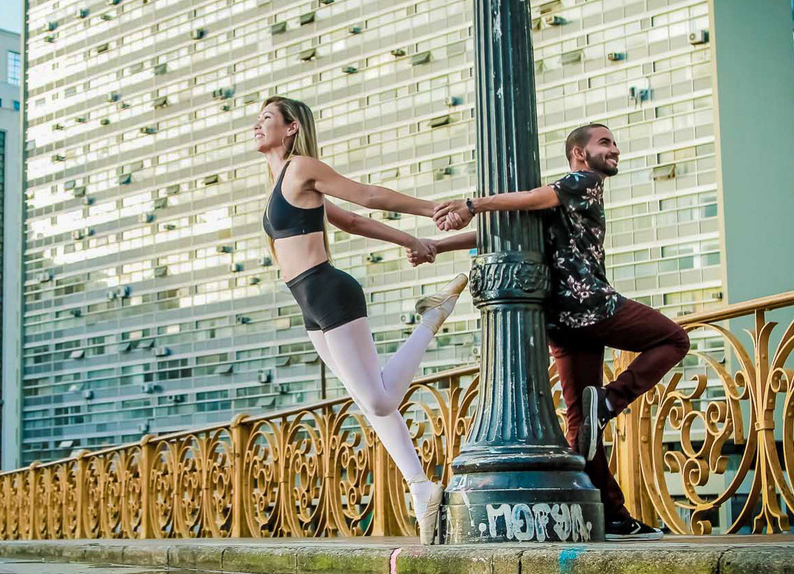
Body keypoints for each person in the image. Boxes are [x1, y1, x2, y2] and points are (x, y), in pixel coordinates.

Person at [427, 123, 689, 541]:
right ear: (580, 154)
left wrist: (440, 245)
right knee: (674, 339)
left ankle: (614, 517)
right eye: (605, 142)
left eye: (615, 142)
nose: (615, 149)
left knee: (581, 426)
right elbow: (529, 199)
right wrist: (471, 203)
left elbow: (509, 230)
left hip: (558, 320)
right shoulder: (582, 181)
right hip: (590, 304)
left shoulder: (560, 201)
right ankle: (611, 399)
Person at [255, 96, 467, 545]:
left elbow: (366, 196)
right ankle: (422, 488)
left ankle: (432, 318)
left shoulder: (300, 168)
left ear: (291, 128)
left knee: (379, 401)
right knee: (371, 403)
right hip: (309, 304)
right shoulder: (279, 181)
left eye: (267, 119)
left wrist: (432, 210)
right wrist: (412, 240)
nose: (258, 126)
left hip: (329, 292)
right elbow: (350, 221)